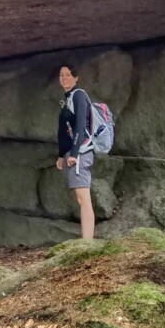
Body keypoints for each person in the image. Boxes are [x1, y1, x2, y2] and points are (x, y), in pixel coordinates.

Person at [55, 64, 95, 239]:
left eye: (69, 74)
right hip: (71, 152)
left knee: (83, 198)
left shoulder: (78, 95)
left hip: (80, 152)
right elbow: (64, 130)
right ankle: (86, 240)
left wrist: (74, 153)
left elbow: (79, 125)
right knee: (79, 196)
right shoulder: (68, 98)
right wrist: (61, 154)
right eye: (61, 75)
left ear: (76, 77)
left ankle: (87, 242)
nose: (64, 78)